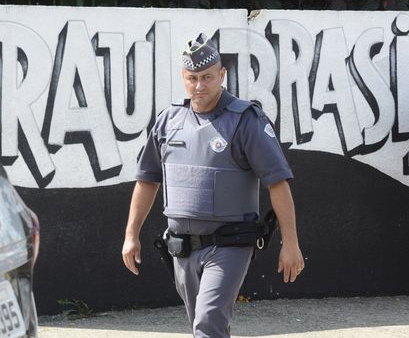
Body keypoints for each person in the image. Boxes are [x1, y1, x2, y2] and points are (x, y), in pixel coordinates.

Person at [122, 33, 304, 338]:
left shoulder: (246, 121)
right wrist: (131, 234)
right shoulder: (170, 120)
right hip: (181, 247)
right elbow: (147, 179)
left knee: (208, 322)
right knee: (203, 326)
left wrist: (291, 243)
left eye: (207, 77)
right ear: (183, 77)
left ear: (222, 74)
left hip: (229, 245)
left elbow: (277, 183)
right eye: (191, 78)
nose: (199, 85)